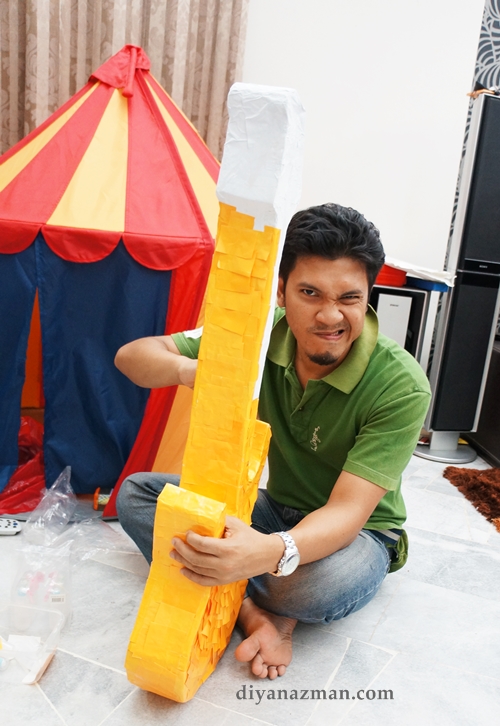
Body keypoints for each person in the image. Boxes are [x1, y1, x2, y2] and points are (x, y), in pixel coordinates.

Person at [115, 203, 431, 681]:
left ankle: (262, 595)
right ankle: (255, 614)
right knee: (139, 495)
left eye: (349, 297)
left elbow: (348, 511)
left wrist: (266, 553)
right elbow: (132, 357)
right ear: (280, 292)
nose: (331, 316)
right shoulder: (257, 338)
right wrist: (195, 370)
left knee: (303, 588)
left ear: (368, 296)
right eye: (310, 293)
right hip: (275, 507)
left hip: (360, 534)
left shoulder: (401, 384)